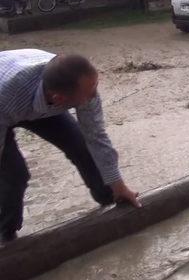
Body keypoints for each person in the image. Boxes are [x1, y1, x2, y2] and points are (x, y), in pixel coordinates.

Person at [0, 49, 141, 243]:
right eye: (90, 93)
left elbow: (97, 138)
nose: (95, 95)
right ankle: (6, 235)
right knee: (15, 174)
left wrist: (119, 185)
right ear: (60, 100)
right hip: (6, 102)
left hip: (33, 94)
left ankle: (109, 199)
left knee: (82, 147)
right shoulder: (8, 96)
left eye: (95, 86)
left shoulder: (84, 89)